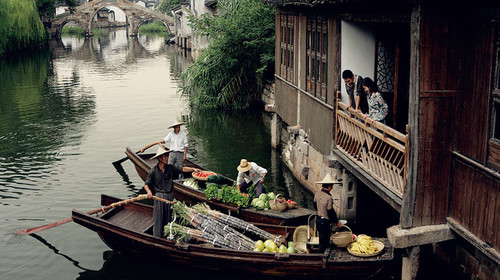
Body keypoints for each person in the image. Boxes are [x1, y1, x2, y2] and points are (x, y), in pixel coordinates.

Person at [144, 146, 200, 237]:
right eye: (165, 157)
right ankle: (157, 237)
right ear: (160, 158)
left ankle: (166, 237)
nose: (167, 158)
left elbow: (181, 169)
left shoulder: (170, 168)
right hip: (159, 197)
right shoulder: (153, 171)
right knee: (158, 219)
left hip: (169, 196)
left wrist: (193, 169)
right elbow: (146, 184)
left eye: (167, 156)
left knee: (168, 219)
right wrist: (149, 192)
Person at [314, 173, 342, 254]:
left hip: (318, 219)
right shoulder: (329, 198)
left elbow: (315, 206)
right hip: (324, 222)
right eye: (332, 186)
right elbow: (330, 211)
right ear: (329, 186)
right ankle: (319, 257)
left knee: (322, 239)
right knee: (324, 242)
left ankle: (321, 254)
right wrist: (337, 222)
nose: (332, 188)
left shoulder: (317, 194)